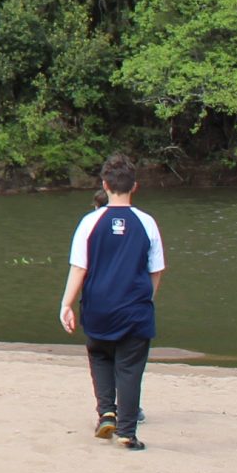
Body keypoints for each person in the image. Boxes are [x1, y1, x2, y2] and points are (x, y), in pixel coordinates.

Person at [59, 154, 164, 450]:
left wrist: (67, 304)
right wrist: (147, 299)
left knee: (100, 355)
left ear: (105, 186)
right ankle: (127, 432)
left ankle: (106, 412)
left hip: (98, 306)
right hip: (135, 309)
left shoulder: (90, 222)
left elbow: (79, 267)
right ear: (135, 187)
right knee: (130, 367)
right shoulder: (147, 223)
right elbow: (156, 270)